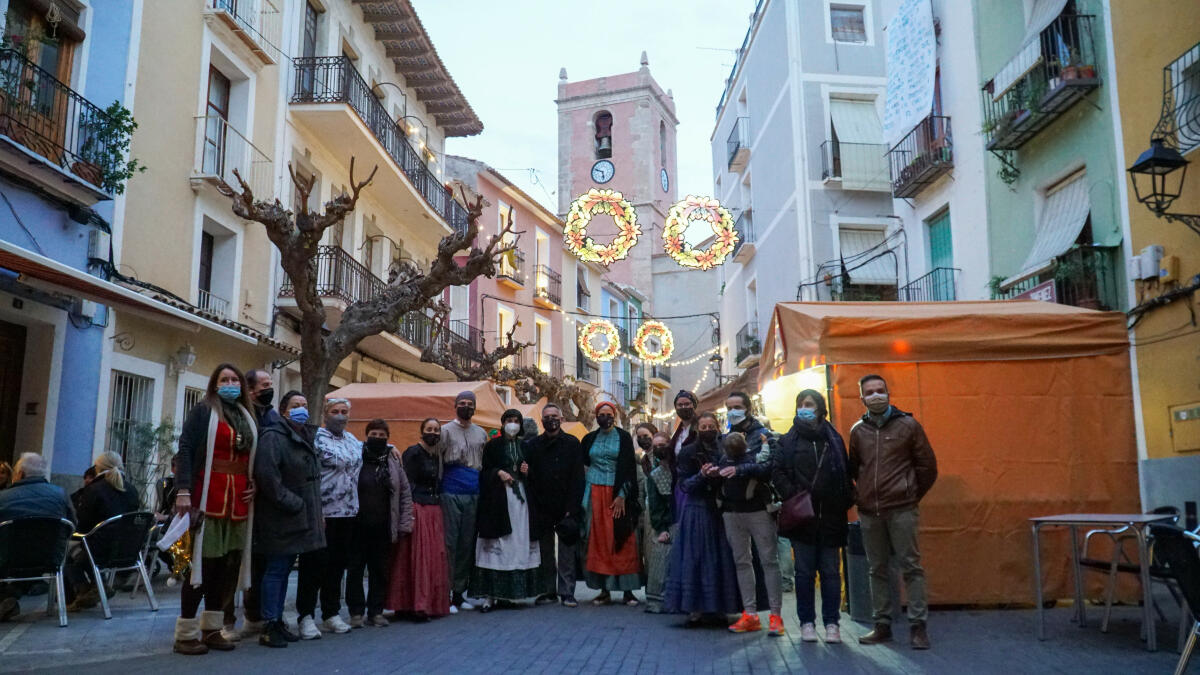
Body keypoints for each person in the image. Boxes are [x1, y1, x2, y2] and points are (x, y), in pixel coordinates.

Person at [172, 363, 258, 655]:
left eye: (235, 379)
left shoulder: (247, 415)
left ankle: (211, 630)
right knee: (202, 566)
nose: (231, 383)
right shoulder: (202, 411)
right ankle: (185, 634)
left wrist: (254, 483)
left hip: (237, 504)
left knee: (225, 568)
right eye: (224, 379)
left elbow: (251, 458)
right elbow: (185, 448)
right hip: (207, 497)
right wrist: (183, 490)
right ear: (214, 384)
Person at [850, 374, 938, 650]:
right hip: (869, 512)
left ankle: (918, 627)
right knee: (876, 569)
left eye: (880, 390)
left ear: (889, 393)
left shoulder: (908, 426)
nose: (876, 395)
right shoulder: (857, 431)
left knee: (911, 567)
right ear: (862, 398)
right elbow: (855, 469)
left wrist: (910, 495)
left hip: (901, 509)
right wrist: (861, 496)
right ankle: (882, 626)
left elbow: (927, 467)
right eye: (870, 392)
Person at [773, 389, 853, 644]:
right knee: (804, 573)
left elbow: (845, 472)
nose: (804, 408)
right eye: (801, 404)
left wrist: (843, 499)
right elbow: (778, 471)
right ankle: (807, 622)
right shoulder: (788, 441)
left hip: (831, 516)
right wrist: (793, 494)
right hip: (802, 517)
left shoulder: (834, 439)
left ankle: (832, 624)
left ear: (820, 408)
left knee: (830, 572)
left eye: (809, 404)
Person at [251, 390, 325, 648]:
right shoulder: (273, 437)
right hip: (281, 517)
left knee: (282, 572)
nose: (301, 409)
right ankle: (269, 623)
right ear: (284, 411)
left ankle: (277, 620)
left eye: (304, 405)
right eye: (296, 405)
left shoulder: (305, 436)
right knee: (276, 570)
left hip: (298, 517)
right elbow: (268, 477)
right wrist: (294, 504)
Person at [663, 412, 740, 626]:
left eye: (711, 426)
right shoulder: (688, 452)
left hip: (723, 509)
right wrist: (702, 476)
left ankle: (720, 606)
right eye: (703, 426)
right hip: (697, 510)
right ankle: (694, 606)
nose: (707, 430)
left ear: (717, 426)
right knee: (695, 559)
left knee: (721, 559)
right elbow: (684, 484)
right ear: (697, 429)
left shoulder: (726, 447)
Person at [296, 397, 362, 639]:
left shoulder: (353, 440)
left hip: (347, 512)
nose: (341, 415)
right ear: (326, 415)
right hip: (322, 513)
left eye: (345, 411)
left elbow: (369, 453)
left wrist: (390, 448)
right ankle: (305, 616)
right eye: (336, 411)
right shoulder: (316, 439)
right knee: (314, 565)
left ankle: (331, 613)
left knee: (337, 565)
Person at [471, 409, 541, 611]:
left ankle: (509, 594)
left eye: (516, 420)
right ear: (502, 423)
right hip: (498, 502)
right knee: (497, 545)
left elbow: (534, 475)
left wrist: (528, 472)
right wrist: (498, 472)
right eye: (509, 420)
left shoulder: (526, 447)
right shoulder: (492, 446)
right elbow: (484, 471)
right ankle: (490, 595)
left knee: (516, 544)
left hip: (521, 503)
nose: (512, 424)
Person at [717, 432, 784, 636]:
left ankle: (774, 615)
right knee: (745, 562)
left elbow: (766, 469)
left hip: (756, 511)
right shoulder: (727, 458)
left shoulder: (759, 441)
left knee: (766, 561)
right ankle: (753, 614)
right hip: (734, 512)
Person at [347, 419, 412, 628]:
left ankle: (375, 611)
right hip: (357, 524)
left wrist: (404, 523)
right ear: (366, 436)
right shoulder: (356, 456)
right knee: (355, 569)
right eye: (374, 434)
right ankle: (356, 612)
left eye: (383, 436)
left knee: (380, 570)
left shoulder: (393, 461)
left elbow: (404, 493)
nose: (378, 438)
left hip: (384, 525)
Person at [0, 453, 75, 623]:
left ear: (19, 474)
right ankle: (10, 595)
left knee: (16, 553)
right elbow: (72, 524)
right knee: (32, 555)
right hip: (49, 558)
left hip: (7, 559)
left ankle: (7, 596)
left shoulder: (3, 498)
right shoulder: (60, 495)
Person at [580, 400, 641, 606]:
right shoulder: (589, 438)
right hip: (595, 491)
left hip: (617, 493)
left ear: (614, 416)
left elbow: (629, 468)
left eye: (608, 413)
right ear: (596, 416)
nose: (605, 417)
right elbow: (584, 465)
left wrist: (623, 495)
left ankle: (628, 591)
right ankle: (604, 590)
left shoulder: (623, 438)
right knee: (598, 540)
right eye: (601, 414)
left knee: (624, 537)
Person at [388, 417, 451, 619]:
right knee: (416, 558)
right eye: (429, 429)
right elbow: (406, 483)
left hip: (433, 509)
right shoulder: (413, 453)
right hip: (417, 508)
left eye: (436, 430)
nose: (433, 433)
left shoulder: (437, 455)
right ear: (421, 431)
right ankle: (412, 604)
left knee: (433, 557)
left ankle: (429, 603)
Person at [525, 403, 585, 607]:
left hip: (566, 504)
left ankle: (567, 591)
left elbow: (578, 477)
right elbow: (529, 476)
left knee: (567, 550)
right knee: (545, 550)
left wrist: (573, 507)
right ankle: (548, 590)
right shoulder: (533, 445)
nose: (551, 420)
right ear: (542, 421)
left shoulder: (572, 443)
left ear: (561, 419)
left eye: (554, 416)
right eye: (547, 416)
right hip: (542, 504)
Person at [66, 451, 141, 611]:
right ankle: (98, 587)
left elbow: (83, 525)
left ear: (97, 468)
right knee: (86, 551)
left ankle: (84, 590)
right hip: (129, 550)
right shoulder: (132, 490)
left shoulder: (93, 490)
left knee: (68, 555)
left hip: (100, 551)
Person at [440, 390, 488, 611]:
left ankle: (459, 593)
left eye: (470, 403)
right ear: (455, 405)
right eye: (462, 403)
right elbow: (436, 459)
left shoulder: (481, 433)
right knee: (450, 542)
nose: (466, 406)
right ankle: (446, 592)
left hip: (474, 492)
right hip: (450, 491)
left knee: (467, 543)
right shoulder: (444, 431)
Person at [643, 432, 675, 614]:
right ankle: (656, 602)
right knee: (659, 557)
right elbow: (655, 505)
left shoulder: (678, 470)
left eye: (663, 444)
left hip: (679, 520)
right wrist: (661, 528)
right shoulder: (654, 474)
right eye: (656, 446)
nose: (659, 449)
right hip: (663, 523)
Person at [670, 391, 699, 457]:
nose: (683, 407)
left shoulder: (700, 428)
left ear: (693, 405)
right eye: (680, 405)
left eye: (687, 404)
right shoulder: (678, 432)